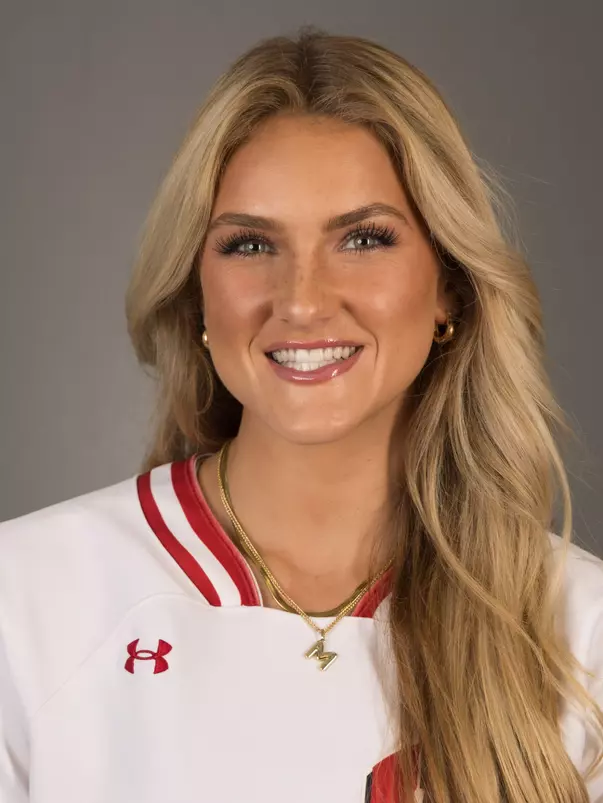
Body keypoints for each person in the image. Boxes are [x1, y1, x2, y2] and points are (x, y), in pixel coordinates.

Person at [0, 25, 602, 803]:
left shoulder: (579, 633)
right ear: (197, 295)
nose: (303, 299)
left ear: (450, 287)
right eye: (250, 245)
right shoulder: (24, 600)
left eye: (362, 238)